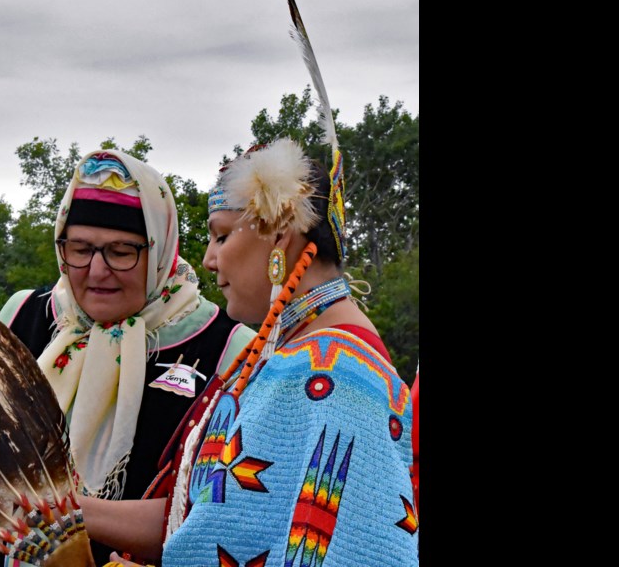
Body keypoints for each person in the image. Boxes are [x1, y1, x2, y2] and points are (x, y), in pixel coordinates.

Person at [90, 139, 418, 566]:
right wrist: (62, 509)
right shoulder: (292, 355)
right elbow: (206, 524)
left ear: (280, 233)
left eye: (222, 236)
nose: (208, 259)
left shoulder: (338, 373)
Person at [0, 149, 255, 566]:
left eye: (121, 252)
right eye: (79, 248)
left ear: (158, 249)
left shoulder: (227, 350)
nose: (96, 271)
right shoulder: (23, 317)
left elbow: (228, 514)